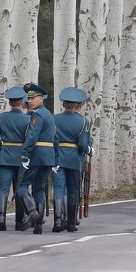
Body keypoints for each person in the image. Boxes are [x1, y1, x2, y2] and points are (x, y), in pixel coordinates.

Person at [0, 85, 30, 231]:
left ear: (10, 103)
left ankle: (1, 218)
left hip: (5, 157)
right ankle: (19, 220)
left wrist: (2, 148)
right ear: (22, 102)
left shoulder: (0, 118)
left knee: (3, 189)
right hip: (20, 157)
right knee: (19, 188)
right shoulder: (27, 120)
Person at [17, 82, 57, 234]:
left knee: (22, 186)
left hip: (36, 155)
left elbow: (32, 136)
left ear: (41, 99)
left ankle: (32, 212)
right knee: (39, 189)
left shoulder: (38, 115)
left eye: (33, 98)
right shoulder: (48, 114)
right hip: (48, 156)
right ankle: (38, 225)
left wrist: (25, 153)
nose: (30, 101)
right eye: (29, 98)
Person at [51, 87, 92, 232]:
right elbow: (82, 145)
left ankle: (57, 221)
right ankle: (70, 222)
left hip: (56, 158)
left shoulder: (54, 119)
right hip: (75, 159)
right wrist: (88, 150)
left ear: (63, 105)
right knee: (73, 190)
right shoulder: (84, 122)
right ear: (79, 106)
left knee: (58, 188)